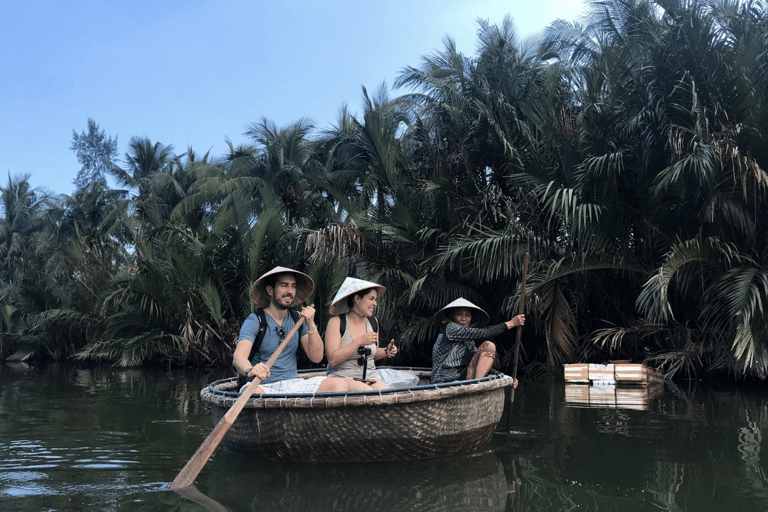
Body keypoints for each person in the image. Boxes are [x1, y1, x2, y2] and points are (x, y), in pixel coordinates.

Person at [233, 266, 359, 394]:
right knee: (252, 392)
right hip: (262, 386)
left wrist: (310, 324)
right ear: (270, 290)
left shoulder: (298, 319)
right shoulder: (256, 320)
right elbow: (239, 356)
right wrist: (250, 370)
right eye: (284, 285)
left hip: (293, 384)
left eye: (293, 286)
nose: (290, 291)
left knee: (338, 384)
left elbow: (316, 357)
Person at [324, 277, 398, 390]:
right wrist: (359, 341)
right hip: (342, 378)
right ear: (357, 299)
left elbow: (373, 353)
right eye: (371, 299)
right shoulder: (337, 322)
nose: (375, 304)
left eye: (375, 299)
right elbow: (333, 360)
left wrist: (386, 351)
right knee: (367, 392)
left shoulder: (373, 322)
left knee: (386, 393)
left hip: (370, 377)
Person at [431, 297, 524, 385]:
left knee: (488, 347)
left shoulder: (468, 340)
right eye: (459, 314)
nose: (464, 319)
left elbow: (480, 361)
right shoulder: (451, 328)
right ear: (452, 316)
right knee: (489, 345)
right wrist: (511, 323)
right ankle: (477, 386)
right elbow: (483, 332)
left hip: (460, 378)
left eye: (467, 315)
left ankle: (476, 385)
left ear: (471, 318)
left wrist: (507, 377)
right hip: (442, 379)